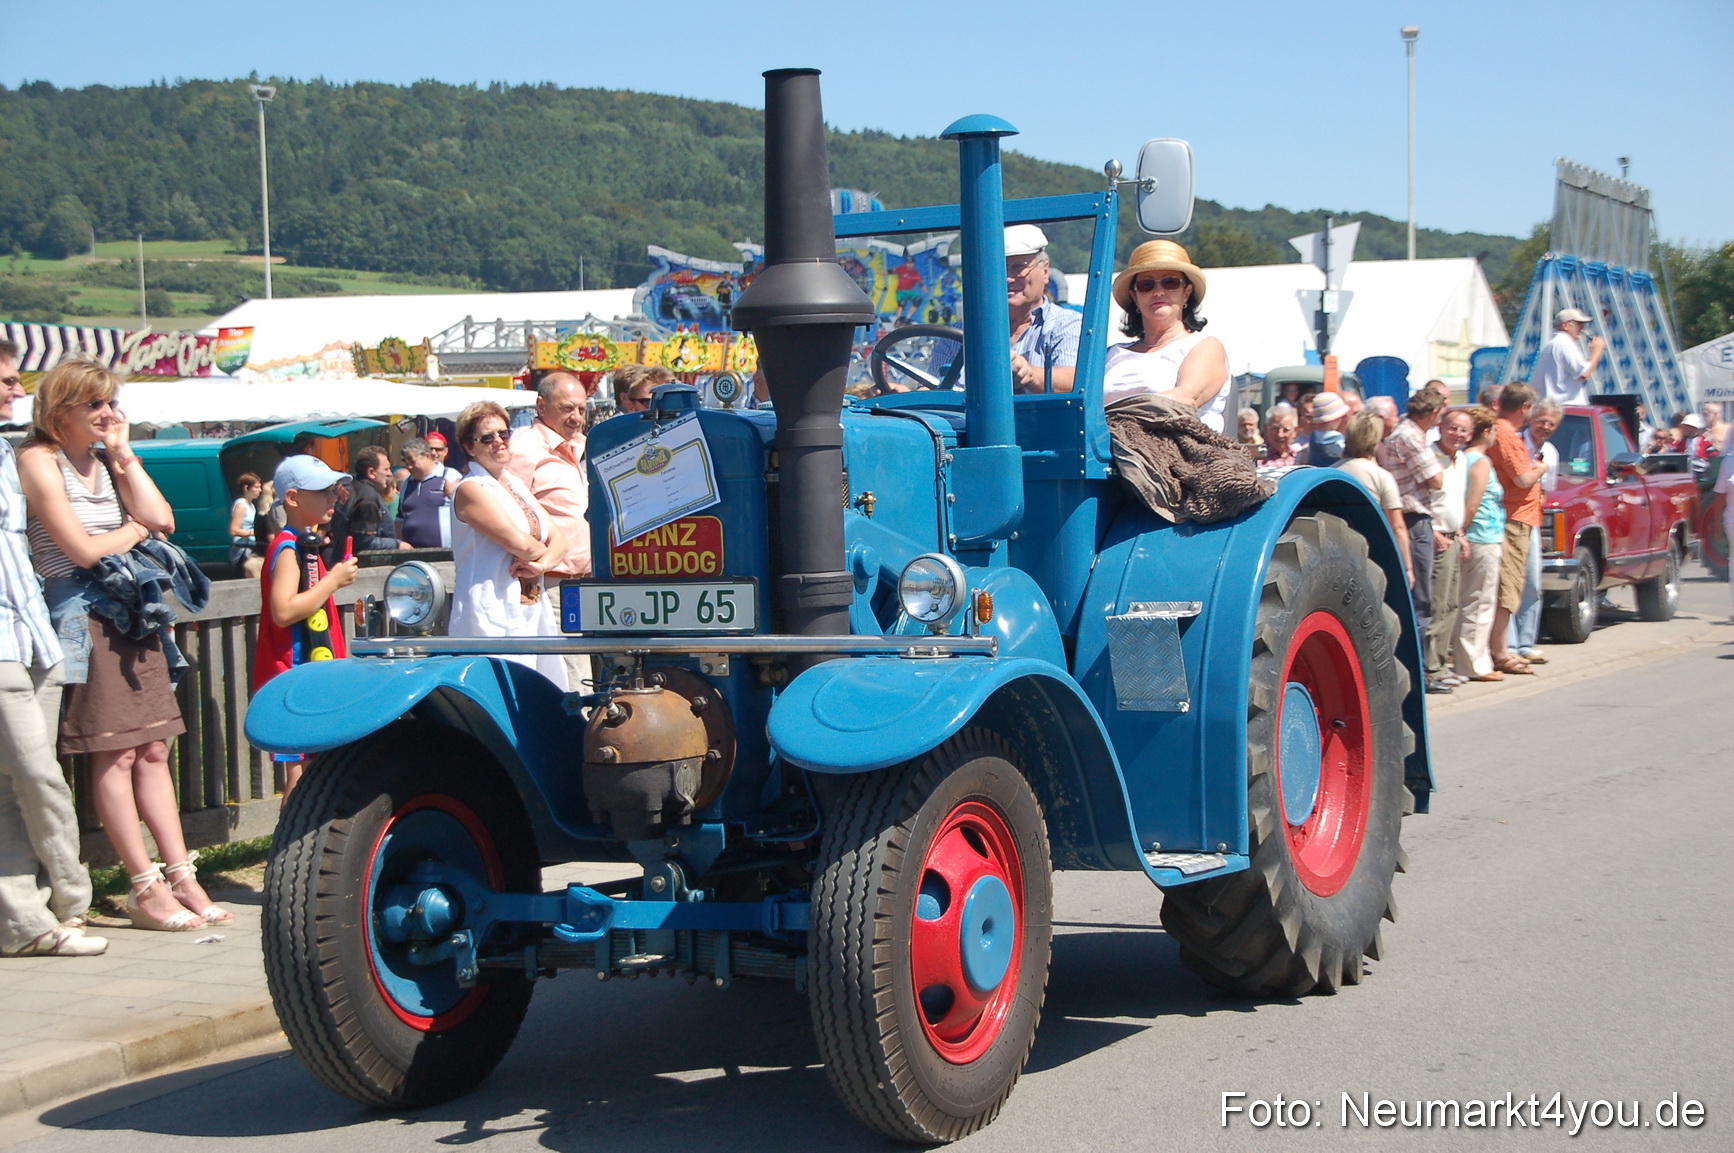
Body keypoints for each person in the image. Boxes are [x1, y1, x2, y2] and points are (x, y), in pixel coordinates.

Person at [18, 356, 228, 933]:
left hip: (131, 608)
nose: (108, 413)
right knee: (116, 750)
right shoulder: (39, 460)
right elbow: (82, 551)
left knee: (155, 748)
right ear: (60, 410)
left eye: (112, 402)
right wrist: (135, 532)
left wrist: (124, 453)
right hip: (85, 611)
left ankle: (181, 873)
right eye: (95, 404)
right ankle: (143, 884)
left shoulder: (106, 462)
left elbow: (163, 515)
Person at [0, 341, 106, 958]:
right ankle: (72, 896)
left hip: (32, 630)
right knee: (37, 775)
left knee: (15, 783)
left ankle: (23, 923)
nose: (18, 390)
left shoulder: (6, 455)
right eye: (10, 381)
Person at [256, 455, 359, 802]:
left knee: (313, 771)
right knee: (301, 776)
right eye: (323, 491)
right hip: (292, 668)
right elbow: (283, 612)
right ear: (293, 498)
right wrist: (332, 581)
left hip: (307, 668)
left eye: (333, 490)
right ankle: (291, 850)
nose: (333, 497)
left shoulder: (304, 542)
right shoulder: (287, 547)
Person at [450, 401, 569, 690]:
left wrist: (540, 565)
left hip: (530, 603)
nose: (499, 443)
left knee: (543, 689)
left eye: (504, 434)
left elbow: (562, 541)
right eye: (487, 438)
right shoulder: (469, 489)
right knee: (499, 692)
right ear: (469, 447)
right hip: (489, 609)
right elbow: (521, 544)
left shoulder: (515, 483)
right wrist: (542, 555)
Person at [508, 373, 594, 686]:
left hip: (590, 583)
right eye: (568, 409)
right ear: (541, 406)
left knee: (598, 676)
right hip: (554, 585)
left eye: (582, 410)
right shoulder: (524, 450)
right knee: (572, 679)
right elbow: (509, 516)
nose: (577, 418)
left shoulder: (580, 447)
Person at [1103, 241, 1231, 432]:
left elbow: (1186, 399)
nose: (1159, 292)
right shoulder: (1111, 353)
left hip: (1180, 454)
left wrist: (1112, 419)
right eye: (1146, 285)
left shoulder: (1204, 346)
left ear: (1186, 293)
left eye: (1170, 282)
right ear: (1134, 296)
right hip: (1105, 454)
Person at [1487, 383, 1550, 675]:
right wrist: (1541, 468)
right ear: (1524, 408)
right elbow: (1523, 479)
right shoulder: (1505, 433)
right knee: (1509, 586)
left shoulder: (1501, 431)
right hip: (1513, 518)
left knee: (1513, 585)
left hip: (1519, 516)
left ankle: (1505, 648)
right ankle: (1502, 651)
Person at [1377, 389, 1447, 649]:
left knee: (1421, 593)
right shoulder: (1409, 436)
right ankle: (1418, 670)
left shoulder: (1408, 433)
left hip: (1412, 518)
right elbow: (1436, 480)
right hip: (1412, 519)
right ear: (1433, 413)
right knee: (1419, 596)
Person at [1453, 406, 1507, 682]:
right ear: (1486, 431)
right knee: (1480, 601)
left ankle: (1468, 658)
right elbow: (1473, 503)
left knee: (1467, 599)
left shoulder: (1461, 458)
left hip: (1475, 535)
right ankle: (1474, 663)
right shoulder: (1480, 461)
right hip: (1482, 535)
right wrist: (1463, 529)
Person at [1424, 409, 1473, 693]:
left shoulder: (1462, 459)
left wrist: (1461, 534)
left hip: (1455, 537)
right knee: (1437, 604)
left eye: (1463, 431)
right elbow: (1420, 499)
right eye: (1453, 428)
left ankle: (1441, 664)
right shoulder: (1430, 456)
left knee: (1452, 603)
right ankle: (1431, 667)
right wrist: (1432, 532)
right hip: (1437, 537)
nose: (1457, 435)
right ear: (1441, 427)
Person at [1509, 399, 1562, 664]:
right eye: (1541, 421)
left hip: (1532, 522)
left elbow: (1545, 492)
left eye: (1551, 423)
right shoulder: (1516, 444)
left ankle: (1526, 643)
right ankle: (1509, 645)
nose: (1545, 427)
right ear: (1530, 418)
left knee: (1532, 582)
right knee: (1508, 583)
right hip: (1509, 520)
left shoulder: (1551, 452)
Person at [1336, 411, 1412, 588]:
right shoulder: (1381, 476)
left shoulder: (1331, 471)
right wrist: (1407, 567)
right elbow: (1398, 526)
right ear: (1375, 442)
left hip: (1339, 550)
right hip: (1374, 554)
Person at [1004, 224, 1081, 394]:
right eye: (997, 268)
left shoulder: (1067, 324)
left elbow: (1073, 381)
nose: (1008, 278)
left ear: (1044, 271)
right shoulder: (962, 333)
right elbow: (932, 386)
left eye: (1018, 267)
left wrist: (1029, 374)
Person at [323, 446, 410, 566]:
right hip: (358, 567)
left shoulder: (347, 485)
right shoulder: (367, 499)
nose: (390, 474)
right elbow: (365, 542)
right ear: (371, 473)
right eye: (386, 469)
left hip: (336, 560)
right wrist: (397, 544)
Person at [1531, 308, 1606, 407]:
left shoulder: (1552, 344)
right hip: (1566, 406)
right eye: (1579, 324)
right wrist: (1597, 351)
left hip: (1552, 405)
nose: (1582, 328)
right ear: (1565, 325)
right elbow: (1583, 373)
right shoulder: (1564, 343)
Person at [396, 437, 451, 549]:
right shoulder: (406, 484)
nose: (408, 466)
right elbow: (400, 518)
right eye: (405, 461)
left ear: (426, 456)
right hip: (412, 555)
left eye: (412, 461)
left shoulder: (449, 476)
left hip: (445, 555)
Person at [228, 472, 264, 579]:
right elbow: (233, 530)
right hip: (242, 550)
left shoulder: (251, 505)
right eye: (257, 487)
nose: (260, 490)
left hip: (250, 547)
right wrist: (255, 533)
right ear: (246, 488)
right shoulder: (241, 505)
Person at [1304, 390, 1350, 466]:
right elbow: (1347, 455)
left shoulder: (1314, 436)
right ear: (1336, 418)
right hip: (1333, 473)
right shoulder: (1335, 439)